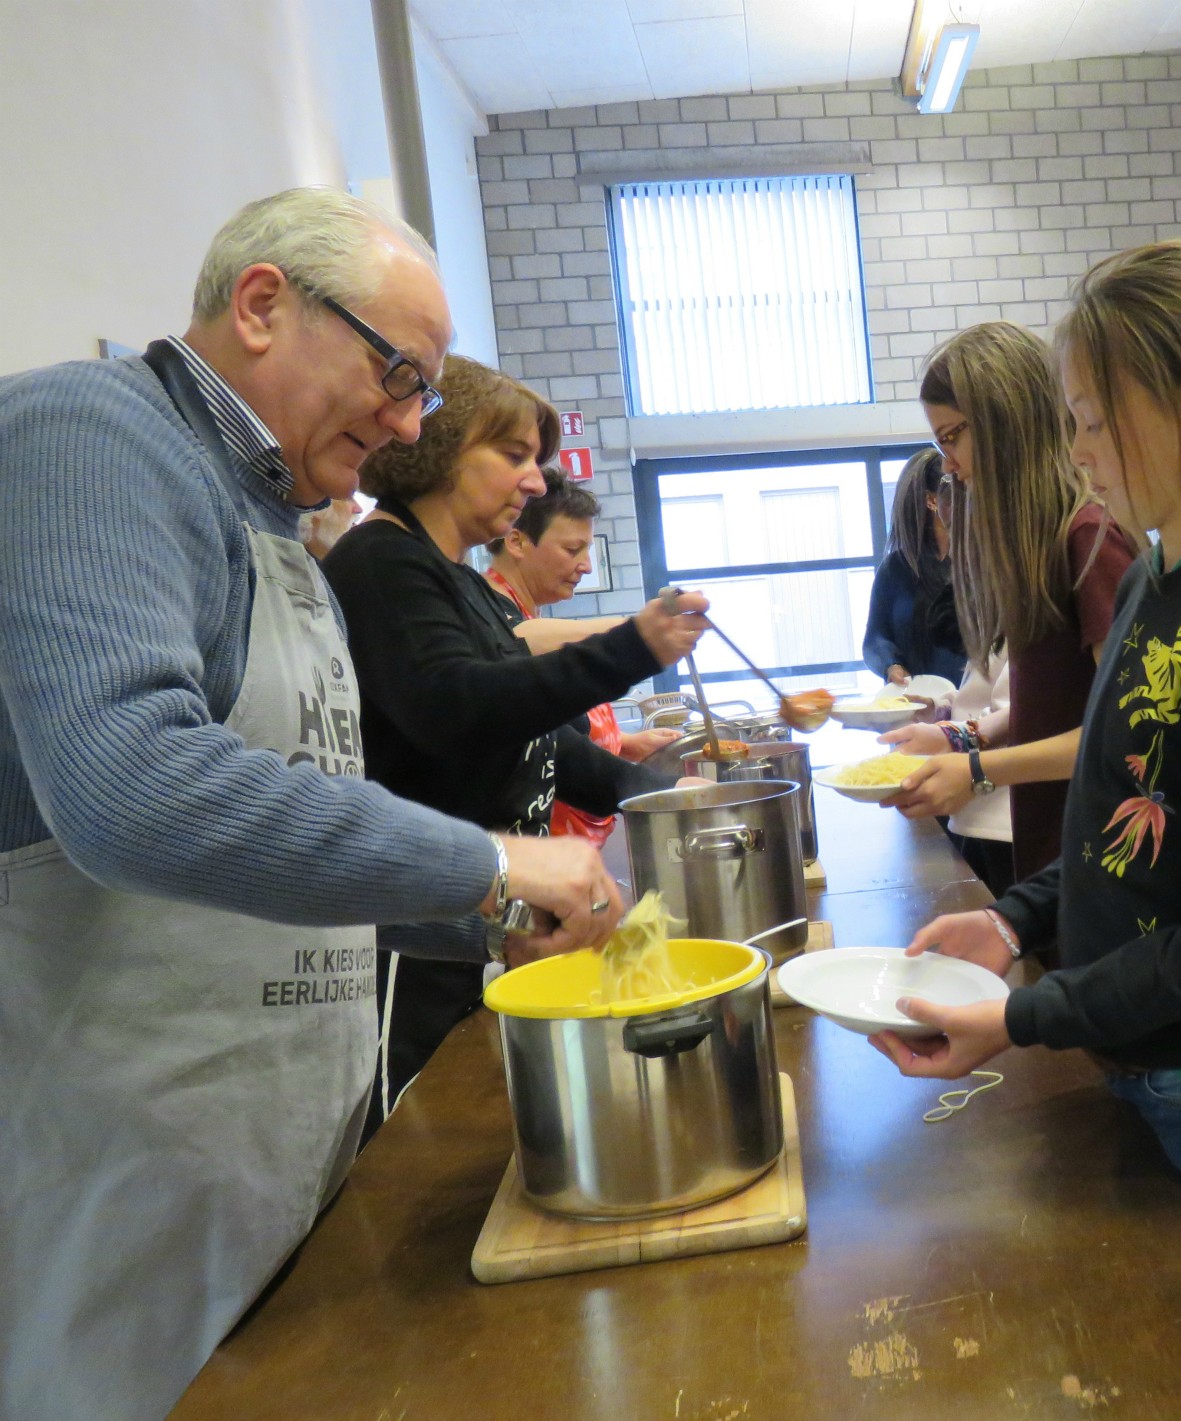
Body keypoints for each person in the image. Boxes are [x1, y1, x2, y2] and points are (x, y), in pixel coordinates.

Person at [0, 187, 621, 1421]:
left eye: (424, 396)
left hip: (282, 1149)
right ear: (265, 303)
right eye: (396, 374)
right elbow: (130, 788)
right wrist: (490, 866)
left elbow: (292, 835)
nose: (405, 425)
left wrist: (477, 924)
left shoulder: (282, 527)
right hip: (129, 1181)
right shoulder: (84, 435)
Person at [875, 241, 1181, 1377]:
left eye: (1092, 417)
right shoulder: (1157, 577)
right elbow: (1122, 815)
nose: (1076, 445)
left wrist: (1022, 1017)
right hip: (1158, 1063)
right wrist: (1018, 921)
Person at [322, 355, 705, 1123]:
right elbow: (457, 710)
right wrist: (629, 649)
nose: (535, 482)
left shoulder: (457, 578)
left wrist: (660, 794)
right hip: (418, 949)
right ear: (441, 446)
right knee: (423, 1144)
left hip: (487, 928)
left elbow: (537, 745)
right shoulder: (381, 561)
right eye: (515, 456)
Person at [882, 322, 1138, 878]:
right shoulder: (1039, 543)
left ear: (1005, 424)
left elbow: (1122, 737)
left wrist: (978, 770)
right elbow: (1050, 703)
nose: (946, 463)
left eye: (951, 438)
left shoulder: (1089, 540)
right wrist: (959, 737)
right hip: (1037, 837)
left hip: (1084, 847)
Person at [483, 471, 684, 847]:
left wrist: (625, 742)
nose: (587, 566)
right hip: (540, 847)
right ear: (517, 542)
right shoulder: (492, 617)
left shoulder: (529, 613)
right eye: (572, 550)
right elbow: (512, 643)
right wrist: (636, 631)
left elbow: (556, 733)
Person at [863, 447, 966, 686]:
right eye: (956, 493)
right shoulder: (896, 569)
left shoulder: (980, 562)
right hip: (916, 706)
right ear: (931, 501)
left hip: (973, 708)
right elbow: (875, 639)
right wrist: (892, 665)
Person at [942, 651, 1016, 896]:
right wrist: (946, 711)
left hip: (1006, 814)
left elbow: (1019, 712)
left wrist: (957, 738)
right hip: (983, 814)